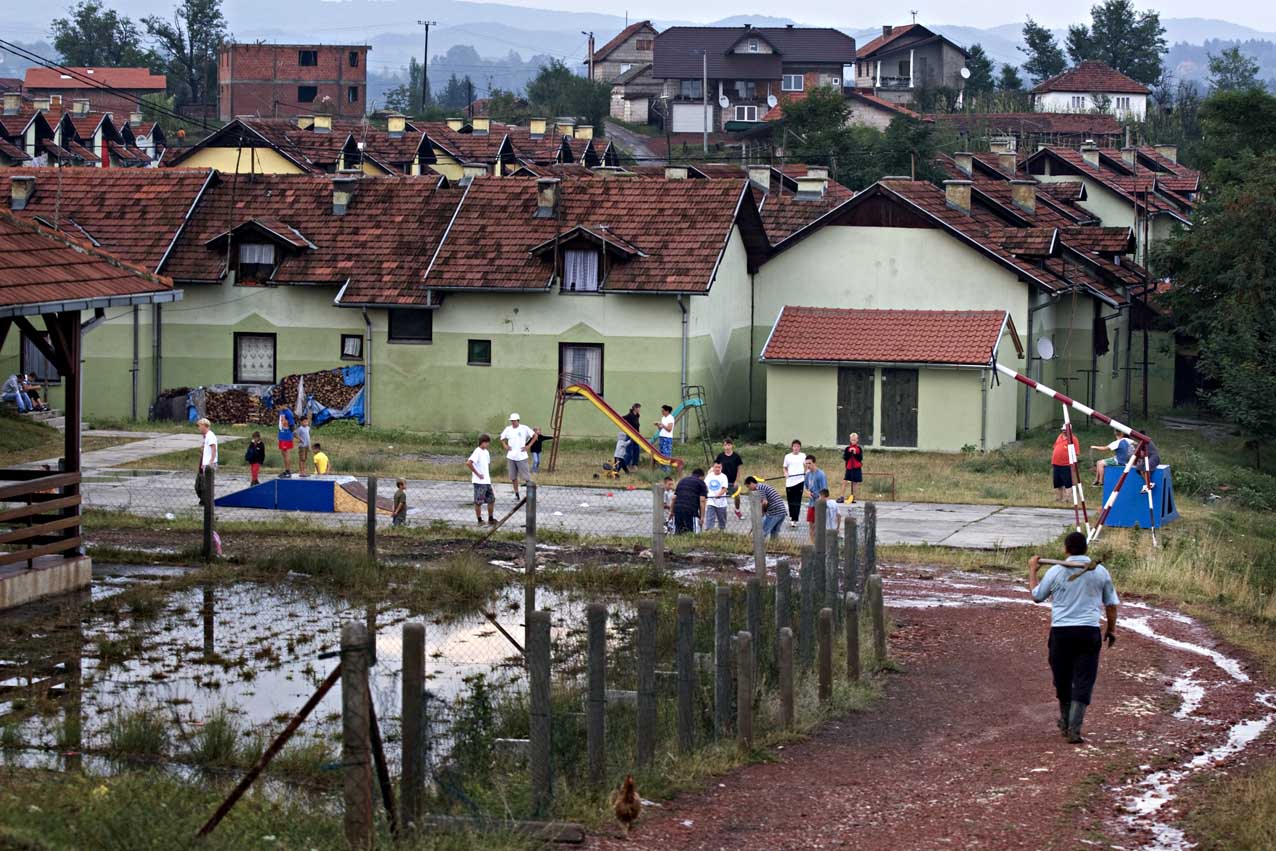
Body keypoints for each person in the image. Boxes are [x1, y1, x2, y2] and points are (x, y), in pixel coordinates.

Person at [1029, 531, 1120, 744]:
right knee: (1084, 680)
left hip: (1061, 633)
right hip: (1088, 632)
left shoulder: (1055, 571)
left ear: (1066, 550)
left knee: (1062, 678)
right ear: (1086, 550)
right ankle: (1074, 728)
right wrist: (1111, 629)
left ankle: (1065, 720)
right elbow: (1111, 605)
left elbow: (1037, 597)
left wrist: (1033, 570)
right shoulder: (1100, 572)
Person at [499, 413, 538, 500]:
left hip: (521, 456)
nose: (513, 422)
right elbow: (501, 438)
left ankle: (531, 495)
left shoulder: (524, 428)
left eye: (514, 421)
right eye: (511, 421)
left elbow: (535, 436)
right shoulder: (508, 429)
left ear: (518, 421)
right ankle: (517, 495)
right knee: (513, 477)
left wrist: (528, 446)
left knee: (526, 477)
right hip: (511, 456)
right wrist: (505, 446)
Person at [467, 433, 497, 525]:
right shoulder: (477, 451)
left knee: (491, 499)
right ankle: (479, 520)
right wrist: (478, 474)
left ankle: (490, 518)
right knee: (479, 501)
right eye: (487, 443)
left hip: (487, 481)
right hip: (479, 482)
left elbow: (487, 464)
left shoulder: (486, 452)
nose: (488, 445)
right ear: (483, 442)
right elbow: (469, 463)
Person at [714, 438, 745, 520]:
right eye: (725, 445)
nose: (727, 447)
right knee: (720, 496)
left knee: (737, 496)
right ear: (723, 446)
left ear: (732, 446)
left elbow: (739, 469)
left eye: (729, 445)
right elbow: (716, 467)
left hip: (733, 480)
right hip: (722, 481)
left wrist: (737, 480)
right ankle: (719, 514)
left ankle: (737, 510)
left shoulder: (736, 456)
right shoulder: (720, 456)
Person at [672, 468, 708, 535]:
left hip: (677, 509)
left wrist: (672, 512)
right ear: (702, 477)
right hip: (690, 510)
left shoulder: (682, 481)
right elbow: (702, 500)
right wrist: (702, 517)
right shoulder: (701, 483)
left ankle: (677, 544)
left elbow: (674, 498)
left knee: (678, 532)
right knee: (692, 533)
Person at [781, 440, 807, 529]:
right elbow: (784, 467)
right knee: (791, 501)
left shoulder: (803, 455)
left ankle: (795, 519)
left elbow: (806, 465)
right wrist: (785, 473)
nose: (796, 448)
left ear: (800, 447)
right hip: (790, 482)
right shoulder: (787, 456)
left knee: (797, 501)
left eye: (798, 446)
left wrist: (806, 472)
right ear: (792, 447)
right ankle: (791, 517)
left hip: (800, 481)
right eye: (794, 446)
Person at [1052, 426, 1081, 502]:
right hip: (1056, 463)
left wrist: (1073, 465)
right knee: (1057, 483)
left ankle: (1068, 499)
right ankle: (1059, 498)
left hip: (1066, 464)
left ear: (1070, 430)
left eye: (1066, 430)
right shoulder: (1060, 436)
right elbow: (1055, 446)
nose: (1064, 431)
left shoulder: (1073, 439)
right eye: (1063, 430)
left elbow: (1076, 453)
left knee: (1068, 483)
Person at [803, 455, 828, 543]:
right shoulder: (808, 474)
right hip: (811, 503)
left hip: (819, 503)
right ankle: (812, 543)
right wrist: (807, 493)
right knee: (811, 525)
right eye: (806, 464)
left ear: (814, 463)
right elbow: (804, 487)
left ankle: (819, 544)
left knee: (819, 526)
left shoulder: (821, 474)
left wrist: (821, 502)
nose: (808, 465)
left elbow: (824, 491)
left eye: (809, 463)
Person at [195, 417, 218, 507]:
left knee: (206, 485)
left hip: (208, 464)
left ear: (205, 426)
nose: (199, 428)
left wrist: (211, 461)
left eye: (199, 426)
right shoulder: (206, 437)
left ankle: (206, 502)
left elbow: (213, 448)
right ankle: (204, 500)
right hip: (204, 463)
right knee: (199, 485)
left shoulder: (210, 435)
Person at [838, 433, 864, 502]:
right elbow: (845, 458)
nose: (853, 441)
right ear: (850, 440)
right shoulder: (847, 448)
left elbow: (860, 458)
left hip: (856, 468)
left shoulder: (859, 448)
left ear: (857, 440)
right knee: (845, 481)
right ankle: (842, 496)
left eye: (855, 440)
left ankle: (853, 498)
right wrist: (849, 453)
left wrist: (856, 454)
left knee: (855, 483)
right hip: (849, 467)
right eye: (852, 440)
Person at [704, 461, 730, 531]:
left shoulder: (724, 476)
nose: (717, 469)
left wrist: (718, 495)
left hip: (721, 502)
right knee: (710, 517)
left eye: (719, 467)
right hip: (711, 501)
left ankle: (722, 531)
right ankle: (709, 530)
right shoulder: (709, 476)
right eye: (716, 467)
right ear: (713, 467)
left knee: (722, 519)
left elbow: (724, 488)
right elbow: (705, 486)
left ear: (721, 468)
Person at [276, 407, 296, 478]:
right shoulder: (281, 411)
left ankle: (288, 471)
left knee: (287, 453)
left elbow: (292, 425)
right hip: (281, 434)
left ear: (283, 405)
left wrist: (293, 434)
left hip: (286, 435)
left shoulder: (288, 413)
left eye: (279, 406)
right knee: (283, 453)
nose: (278, 408)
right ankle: (286, 470)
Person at [623, 403, 643, 469]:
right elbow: (622, 418)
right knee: (629, 450)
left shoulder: (637, 415)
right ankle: (626, 464)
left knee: (636, 449)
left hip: (636, 435)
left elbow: (637, 425)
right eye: (639, 408)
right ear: (635, 408)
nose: (640, 409)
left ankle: (634, 464)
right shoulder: (629, 415)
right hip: (630, 435)